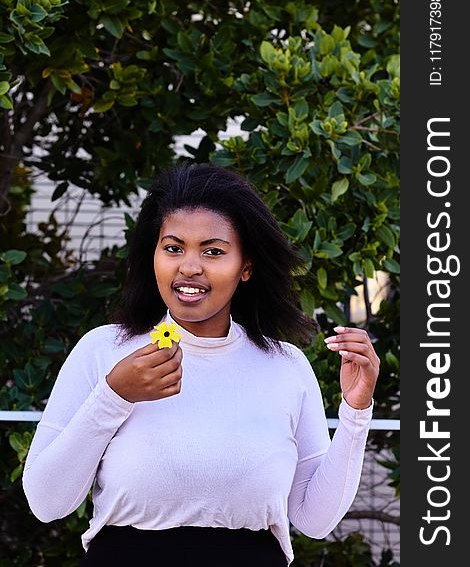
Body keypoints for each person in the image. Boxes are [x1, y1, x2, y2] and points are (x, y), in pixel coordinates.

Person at [22, 162, 380, 567]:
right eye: (173, 247)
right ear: (152, 255)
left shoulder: (286, 366)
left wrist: (355, 412)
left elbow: (314, 520)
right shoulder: (103, 351)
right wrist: (113, 396)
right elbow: (46, 503)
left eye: (213, 251)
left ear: (245, 267)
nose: (189, 266)